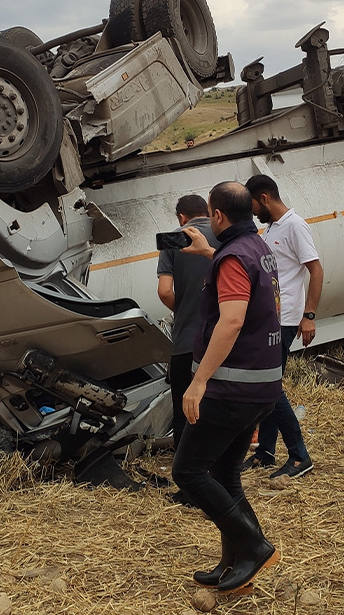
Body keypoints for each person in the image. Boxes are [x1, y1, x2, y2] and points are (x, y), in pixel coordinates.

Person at [171, 181, 283, 593]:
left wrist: (198, 382)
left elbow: (231, 320)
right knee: (224, 472)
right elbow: (252, 287)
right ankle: (236, 564)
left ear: (218, 216)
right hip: (262, 384)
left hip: (232, 387)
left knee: (188, 471)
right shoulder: (256, 247)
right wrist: (207, 252)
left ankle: (254, 547)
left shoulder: (234, 257)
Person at [239, 174, 321, 479]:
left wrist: (309, 315)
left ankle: (300, 457)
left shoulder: (295, 225)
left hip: (285, 319)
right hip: (271, 316)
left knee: (270, 388)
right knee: (269, 387)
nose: (251, 213)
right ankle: (266, 453)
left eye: (251, 205)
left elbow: (316, 270)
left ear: (263, 198)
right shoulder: (271, 228)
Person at [157, 194, 221, 505]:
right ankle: (220, 478)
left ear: (182, 218)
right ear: (208, 213)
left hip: (186, 341)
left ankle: (190, 485)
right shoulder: (224, 234)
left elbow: (164, 291)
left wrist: (183, 308)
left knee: (186, 412)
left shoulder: (175, 241)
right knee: (217, 408)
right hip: (221, 339)